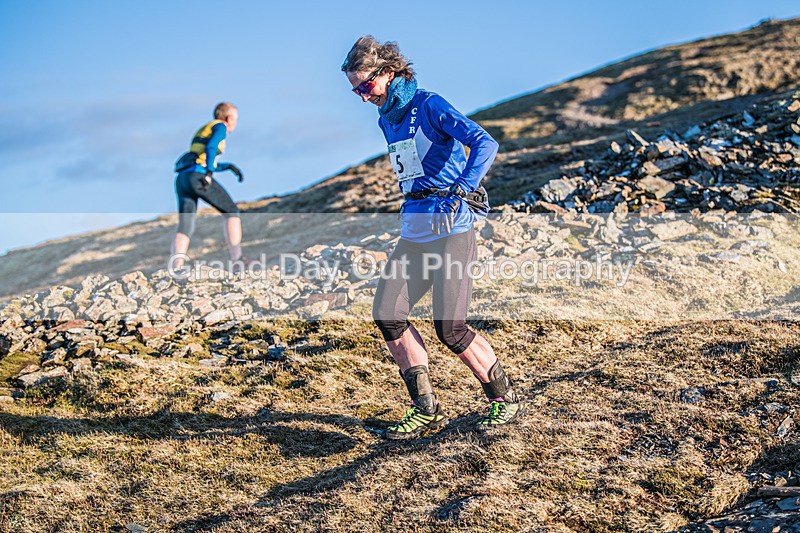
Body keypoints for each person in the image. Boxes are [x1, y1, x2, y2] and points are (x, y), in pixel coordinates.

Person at [342, 36, 522, 439]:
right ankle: (425, 409)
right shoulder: (386, 117)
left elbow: (484, 142)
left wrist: (464, 186)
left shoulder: (429, 104)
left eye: (365, 86)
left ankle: (504, 398)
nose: (361, 96)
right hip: (415, 229)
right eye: (354, 89)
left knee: (450, 328)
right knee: (388, 313)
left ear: (388, 73)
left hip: (452, 227)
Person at [169, 102, 250, 273]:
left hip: (183, 178)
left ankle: (176, 266)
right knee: (232, 211)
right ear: (229, 118)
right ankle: (238, 259)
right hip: (198, 177)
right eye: (235, 119)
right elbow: (211, 148)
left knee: (186, 224)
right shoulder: (220, 127)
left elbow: (202, 158)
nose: (235, 123)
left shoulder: (205, 127)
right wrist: (210, 174)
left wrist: (228, 167)